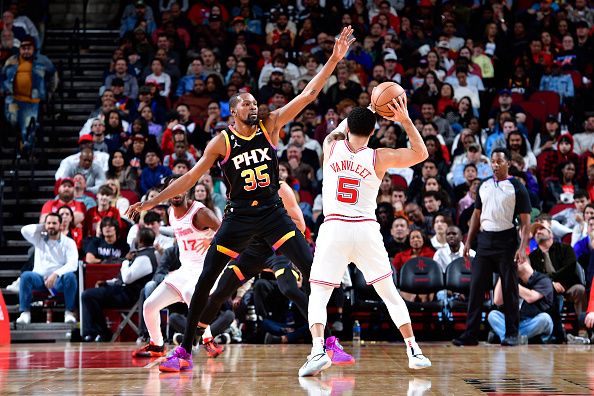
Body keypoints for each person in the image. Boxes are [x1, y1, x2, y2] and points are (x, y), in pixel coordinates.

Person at [126, 26, 356, 373]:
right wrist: (151, 202)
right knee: (207, 282)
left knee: (315, 271)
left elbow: (308, 93)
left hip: (273, 215)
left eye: (255, 102)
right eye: (247, 103)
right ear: (234, 111)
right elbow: (190, 178)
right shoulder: (222, 142)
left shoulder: (271, 126)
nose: (254, 105)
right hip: (237, 219)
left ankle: (328, 341)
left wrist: (334, 59)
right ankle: (184, 351)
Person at [300, 101, 431, 377]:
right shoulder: (378, 157)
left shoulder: (330, 146)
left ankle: (317, 351)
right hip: (365, 230)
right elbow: (421, 153)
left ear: (347, 128)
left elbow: (339, 131)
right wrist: (405, 119)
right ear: (373, 133)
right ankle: (414, 350)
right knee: (389, 294)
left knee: (319, 294)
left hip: (335, 227)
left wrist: (370, 108)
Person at [133, 176, 221, 358]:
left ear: (187, 189)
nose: (177, 192)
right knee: (149, 306)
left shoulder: (200, 213)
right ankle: (157, 345)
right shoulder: (171, 214)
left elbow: (227, 229)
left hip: (206, 270)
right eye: (172, 188)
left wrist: (212, 239)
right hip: (185, 270)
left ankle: (209, 339)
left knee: (191, 293)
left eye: (180, 187)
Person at [453, 148, 532, 347]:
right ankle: (470, 335)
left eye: (499, 162)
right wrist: (469, 242)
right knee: (476, 287)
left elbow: (525, 222)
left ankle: (512, 334)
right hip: (485, 241)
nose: (495, 165)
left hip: (507, 241)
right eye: (493, 162)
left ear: (508, 163)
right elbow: (476, 217)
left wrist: (522, 248)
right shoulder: (484, 186)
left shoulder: (517, 187)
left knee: (509, 288)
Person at [81, 228, 157, 342]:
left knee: (88, 295)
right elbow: (124, 278)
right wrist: (107, 282)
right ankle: (101, 332)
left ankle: (97, 333)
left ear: (140, 240)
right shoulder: (142, 254)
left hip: (130, 296)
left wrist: (125, 261)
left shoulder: (145, 258)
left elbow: (127, 279)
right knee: (91, 296)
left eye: (136, 237)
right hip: (122, 291)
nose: (134, 239)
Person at [16, 214, 78, 324]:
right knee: (26, 276)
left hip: (58, 282)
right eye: (48, 223)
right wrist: (42, 227)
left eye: (54, 223)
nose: (51, 226)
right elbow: (24, 230)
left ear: (61, 225)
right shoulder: (38, 238)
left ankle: (69, 312)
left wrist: (55, 274)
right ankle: (25, 313)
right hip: (39, 280)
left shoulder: (69, 242)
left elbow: (73, 264)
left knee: (71, 276)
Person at [1, 35, 56, 154]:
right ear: (19, 48)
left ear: (33, 48)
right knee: (13, 120)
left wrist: (50, 92)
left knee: (29, 126)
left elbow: (53, 76)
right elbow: (2, 76)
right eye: (23, 48)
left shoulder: (43, 61)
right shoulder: (12, 61)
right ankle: (20, 143)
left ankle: (26, 149)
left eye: (28, 48)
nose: (26, 51)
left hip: (33, 101)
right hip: (13, 99)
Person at [487, 259, 554, 344]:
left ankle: (509, 337)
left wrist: (512, 283)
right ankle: (513, 338)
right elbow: (497, 301)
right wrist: (503, 273)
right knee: (493, 315)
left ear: (524, 261)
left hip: (533, 322)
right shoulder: (512, 279)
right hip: (515, 324)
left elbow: (530, 297)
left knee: (545, 319)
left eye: (516, 261)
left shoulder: (543, 280)